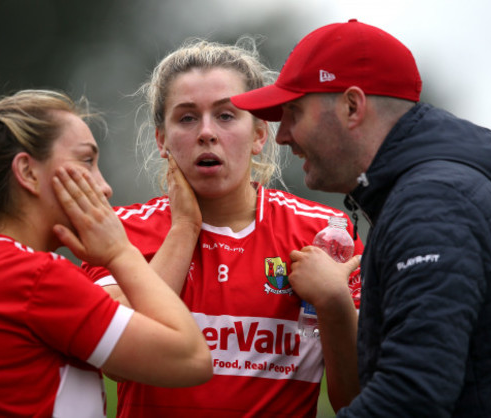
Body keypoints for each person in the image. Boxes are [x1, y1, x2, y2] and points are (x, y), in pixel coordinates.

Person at [231, 19, 491, 417]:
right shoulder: (425, 193)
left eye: (293, 111)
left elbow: (411, 396)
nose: (281, 134)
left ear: (352, 107)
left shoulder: (433, 204)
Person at [82, 38, 364, 417]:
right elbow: (118, 361)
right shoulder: (122, 231)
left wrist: (333, 304)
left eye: (226, 115)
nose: (206, 132)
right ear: (162, 140)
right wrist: (184, 227)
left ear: (260, 135)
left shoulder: (325, 233)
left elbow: (357, 399)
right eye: (186, 117)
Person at [0, 89, 213, 418]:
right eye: (86, 161)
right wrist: (121, 253)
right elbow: (192, 359)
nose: (104, 187)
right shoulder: (38, 279)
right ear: (28, 173)